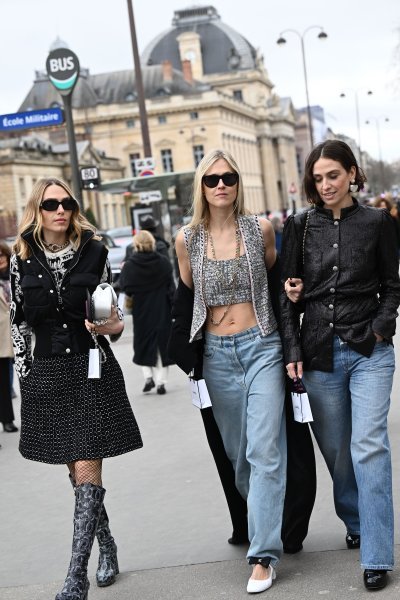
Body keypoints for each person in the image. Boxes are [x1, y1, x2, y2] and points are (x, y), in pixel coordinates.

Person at [10, 177, 143, 600]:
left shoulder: (96, 250)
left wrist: (106, 324)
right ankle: (107, 545)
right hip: (46, 372)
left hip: (91, 370)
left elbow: (115, 319)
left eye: (67, 202)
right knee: (75, 470)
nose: (60, 210)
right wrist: (25, 373)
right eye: (51, 204)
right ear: (39, 208)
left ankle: (75, 576)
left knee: (87, 466)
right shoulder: (22, 255)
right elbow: (18, 322)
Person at [280, 140, 400, 591]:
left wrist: (382, 326)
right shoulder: (298, 225)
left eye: (334, 175)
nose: (326, 185)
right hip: (317, 354)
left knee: (369, 445)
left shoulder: (376, 223)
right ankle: (354, 517)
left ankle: (376, 552)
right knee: (338, 452)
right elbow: (286, 294)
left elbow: (392, 284)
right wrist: (292, 351)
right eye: (318, 178)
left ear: (352, 173)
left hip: (369, 350)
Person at [175, 149, 287, 593]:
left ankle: (263, 555)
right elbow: (185, 295)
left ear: (238, 184)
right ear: (201, 187)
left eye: (229, 177)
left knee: (265, 451)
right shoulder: (186, 239)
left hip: (263, 345)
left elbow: (276, 280)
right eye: (212, 179)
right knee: (240, 459)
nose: (221, 184)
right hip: (218, 355)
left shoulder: (260, 229)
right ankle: (261, 523)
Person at [119, 229, 175, 395]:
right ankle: (161, 382)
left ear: (136, 245)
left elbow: (125, 288)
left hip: (141, 311)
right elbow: (171, 289)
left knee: (143, 344)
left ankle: (148, 376)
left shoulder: (130, 266)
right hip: (162, 309)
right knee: (162, 346)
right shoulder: (163, 262)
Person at [0, 240, 18, 433]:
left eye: (1, 256)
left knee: (6, 383)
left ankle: (7, 420)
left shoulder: (15, 277)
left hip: (13, 336)